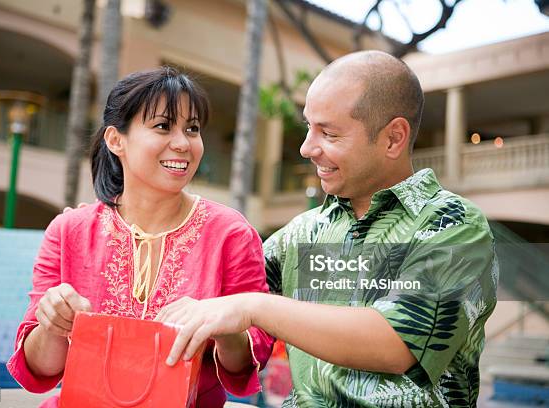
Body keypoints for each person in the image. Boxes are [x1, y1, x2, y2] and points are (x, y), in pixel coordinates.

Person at [156, 51, 498, 407]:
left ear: (394, 138)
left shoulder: (454, 225)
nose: (306, 148)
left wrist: (253, 306)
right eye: (309, 127)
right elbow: (214, 301)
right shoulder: (302, 232)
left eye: (329, 133)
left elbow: (396, 344)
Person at [7, 67, 274, 408]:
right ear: (116, 140)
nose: (183, 143)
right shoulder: (68, 231)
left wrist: (220, 321)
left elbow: (246, 366)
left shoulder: (231, 234)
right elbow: (39, 370)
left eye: (192, 129)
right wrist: (51, 323)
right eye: (163, 126)